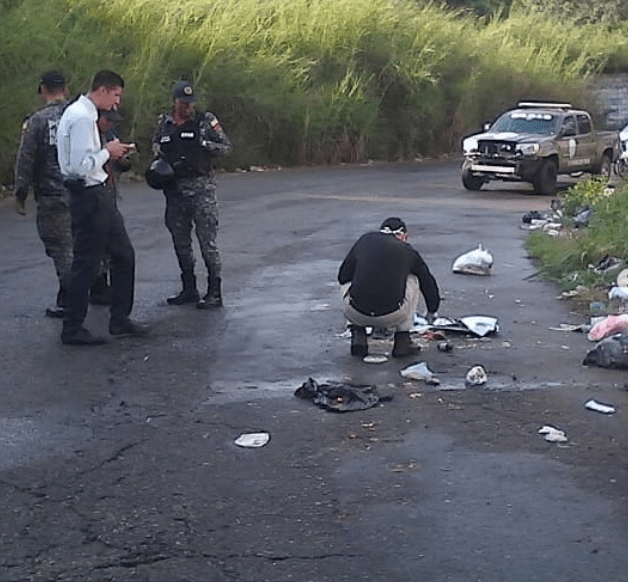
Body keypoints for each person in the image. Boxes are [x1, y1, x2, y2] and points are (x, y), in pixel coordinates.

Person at [56, 69, 145, 345]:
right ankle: (72, 328)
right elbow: (79, 167)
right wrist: (110, 152)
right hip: (90, 194)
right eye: (116, 95)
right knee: (87, 263)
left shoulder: (83, 113)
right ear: (103, 90)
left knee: (122, 256)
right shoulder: (82, 117)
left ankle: (119, 320)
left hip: (99, 194)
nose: (117, 102)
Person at [149, 80, 232, 309]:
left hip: (201, 190)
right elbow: (156, 145)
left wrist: (203, 144)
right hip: (174, 191)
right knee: (180, 242)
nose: (187, 107)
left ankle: (214, 291)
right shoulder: (164, 122)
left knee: (208, 243)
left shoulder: (205, 121)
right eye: (182, 102)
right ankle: (189, 288)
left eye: (190, 103)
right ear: (174, 101)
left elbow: (225, 147)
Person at [13, 71, 72, 318]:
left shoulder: (37, 121)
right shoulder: (79, 116)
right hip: (82, 190)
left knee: (61, 247)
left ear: (43, 90)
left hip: (52, 195)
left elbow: (26, 158)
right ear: (65, 89)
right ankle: (93, 289)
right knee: (83, 242)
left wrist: (20, 192)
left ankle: (70, 299)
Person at [337, 217, 441, 358]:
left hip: (356, 312)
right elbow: (427, 282)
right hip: (392, 314)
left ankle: (358, 336)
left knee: (349, 281)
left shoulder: (365, 240)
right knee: (414, 278)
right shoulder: (408, 251)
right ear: (403, 235)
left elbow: (342, 276)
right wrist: (432, 311)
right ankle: (403, 341)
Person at [89, 107, 133, 306]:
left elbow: (124, 166)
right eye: (108, 120)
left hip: (110, 193)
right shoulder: (87, 136)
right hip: (92, 196)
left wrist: (123, 158)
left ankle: (105, 285)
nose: (110, 125)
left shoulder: (111, 135)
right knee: (90, 243)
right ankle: (94, 285)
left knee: (113, 245)